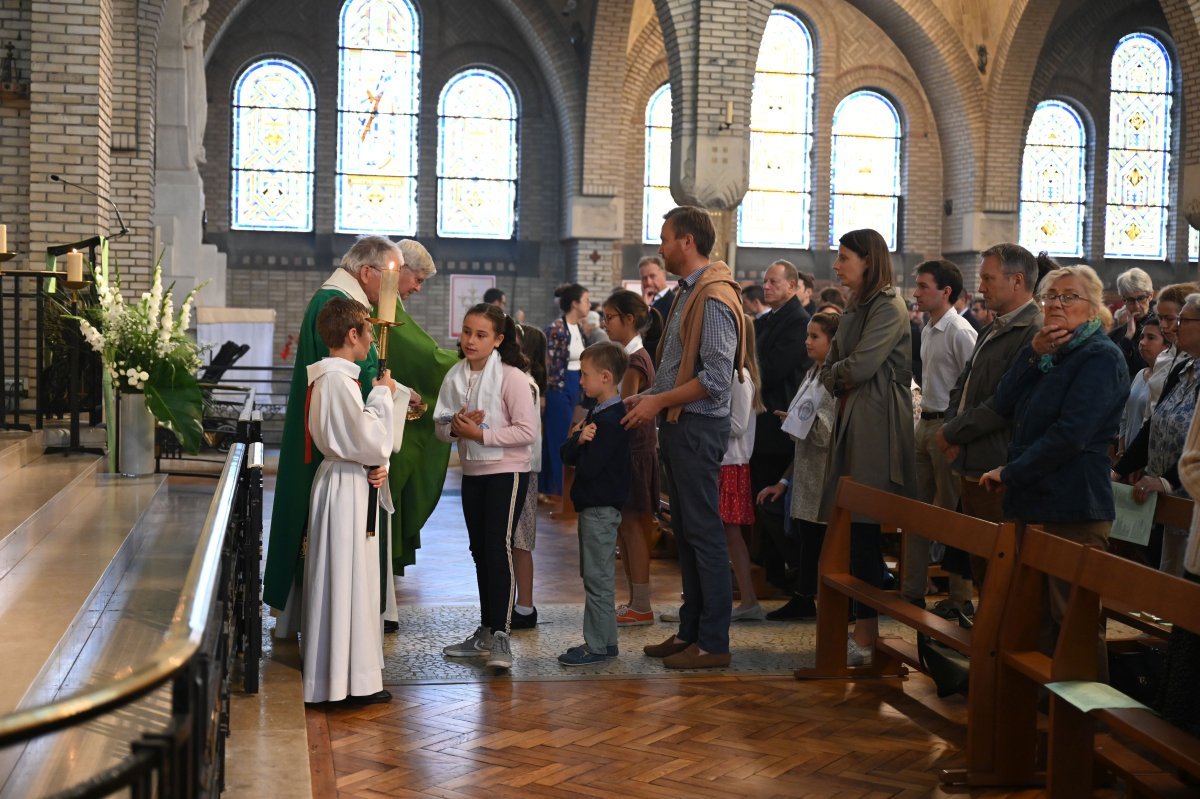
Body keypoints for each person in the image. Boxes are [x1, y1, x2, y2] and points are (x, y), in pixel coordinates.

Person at [979, 264, 1128, 676]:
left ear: (1094, 306)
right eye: (1051, 296)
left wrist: (1010, 472)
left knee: (1072, 622)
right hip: (1036, 501)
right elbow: (1004, 401)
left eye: (1070, 296)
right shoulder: (1051, 353)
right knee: (1035, 616)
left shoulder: (1099, 357)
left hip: (1074, 505)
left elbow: (1070, 435)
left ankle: (1084, 727)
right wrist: (1033, 354)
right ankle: (1044, 714)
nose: (1057, 304)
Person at [265, 235, 413, 637]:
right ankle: (340, 637)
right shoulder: (335, 305)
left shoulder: (345, 303)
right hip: (342, 457)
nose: (396, 288)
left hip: (343, 449)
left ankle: (346, 637)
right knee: (340, 561)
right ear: (367, 272)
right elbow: (359, 388)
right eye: (389, 275)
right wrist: (391, 396)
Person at [623, 205, 745, 670]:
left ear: (687, 242)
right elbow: (678, 367)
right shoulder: (689, 292)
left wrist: (658, 401)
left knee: (704, 533)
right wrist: (650, 395)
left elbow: (714, 379)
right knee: (690, 533)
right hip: (681, 422)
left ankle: (713, 642)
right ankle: (691, 631)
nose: (660, 246)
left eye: (665, 238)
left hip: (697, 426)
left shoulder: (712, 297)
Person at [820, 228, 917, 666]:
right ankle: (856, 621)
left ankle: (868, 626)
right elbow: (831, 364)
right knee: (850, 523)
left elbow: (858, 365)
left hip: (877, 417)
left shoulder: (888, 305)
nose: (837, 266)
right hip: (853, 412)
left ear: (868, 260)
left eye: (844, 258)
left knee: (865, 523)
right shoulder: (854, 305)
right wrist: (836, 372)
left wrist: (835, 373)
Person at [301, 297, 399, 705]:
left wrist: (377, 465)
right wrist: (383, 396)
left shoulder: (331, 379)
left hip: (345, 481)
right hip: (346, 487)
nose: (374, 346)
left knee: (349, 580)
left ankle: (352, 678)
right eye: (369, 334)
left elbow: (362, 445)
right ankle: (342, 685)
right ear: (352, 335)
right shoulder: (339, 382)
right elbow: (369, 439)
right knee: (346, 579)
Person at [436, 304, 537, 671]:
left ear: (498, 340)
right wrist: (456, 426)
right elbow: (440, 427)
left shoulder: (512, 378)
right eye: (466, 332)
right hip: (473, 471)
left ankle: (502, 635)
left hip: (507, 471)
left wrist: (478, 432)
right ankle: (484, 629)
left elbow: (528, 432)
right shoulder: (455, 376)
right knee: (479, 549)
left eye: (480, 335)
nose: (470, 340)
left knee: (498, 547)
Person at [938, 243, 1043, 587]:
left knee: (1002, 573)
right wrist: (951, 426)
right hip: (971, 461)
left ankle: (1002, 640)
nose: (980, 287)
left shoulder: (1032, 332)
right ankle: (986, 638)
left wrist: (954, 433)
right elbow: (963, 384)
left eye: (987, 278)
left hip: (996, 465)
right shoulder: (994, 325)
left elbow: (1004, 403)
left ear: (1016, 281)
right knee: (981, 566)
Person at [382, 239, 457, 617]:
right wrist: (459, 361)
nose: (417, 288)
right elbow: (423, 355)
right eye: (418, 279)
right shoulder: (383, 308)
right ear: (400, 268)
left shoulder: (388, 304)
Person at [902, 259, 977, 617]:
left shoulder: (960, 331)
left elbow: (972, 386)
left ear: (946, 292)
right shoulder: (929, 329)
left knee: (951, 514)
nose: (916, 293)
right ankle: (912, 589)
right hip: (924, 424)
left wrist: (955, 430)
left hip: (948, 428)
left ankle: (960, 596)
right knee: (916, 512)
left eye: (923, 286)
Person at [757, 312, 840, 620]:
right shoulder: (813, 372)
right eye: (807, 335)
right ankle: (803, 595)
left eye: (815, 337)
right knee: (806, 534)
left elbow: (829, 432)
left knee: (818, 537)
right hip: (804, 467)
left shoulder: (835, 377)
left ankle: (816, 595)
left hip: (823, 470)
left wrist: (796, 423)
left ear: (833, 343)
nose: (807, 341)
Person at [1113, 293, 1200, 575]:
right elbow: (1153, 424)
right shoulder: (1183, 369)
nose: (1174, 327)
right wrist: (1118, 471)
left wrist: (1165, 480)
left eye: (1183, 321)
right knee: (1166, 573)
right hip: (1164, 497)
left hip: (1189, 497)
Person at [557, 342, 633, 665]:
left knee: (598, 579)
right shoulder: (596, 414)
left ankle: (598, 646)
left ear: (605, 377)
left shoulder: (613, 420)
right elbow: (566, 455)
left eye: (585, 375)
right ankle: (605, 641)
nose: (580, 382)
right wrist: (579, 439)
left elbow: (587, 467)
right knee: (593, 575)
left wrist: (581, 442)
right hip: (592, 508)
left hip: (601, 508)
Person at [749, 259, 812, 618]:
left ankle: (789, 572)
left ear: (792, 285)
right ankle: (772, 572)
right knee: (762, 499)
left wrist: (746, 369)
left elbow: (771, 370)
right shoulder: (769, 319)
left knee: (772, 501)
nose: (766, 287)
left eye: (773, 282)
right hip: (763, 423)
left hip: (779, 424)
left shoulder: (797, 322)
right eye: (766, 281)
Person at [600, 290, 658, 626]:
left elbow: (624, 408)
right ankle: (635, 601)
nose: (605, 323)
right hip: (631, 450)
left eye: (610, 317)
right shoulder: (629, 355)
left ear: (629, 320)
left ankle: (642, 604)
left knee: (635, 527)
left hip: (635, 451)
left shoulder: (636, 360)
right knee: (627, 527)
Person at [721, 317, 766, 621]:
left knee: (730, 533)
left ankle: (748, 598)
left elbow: (738, 425)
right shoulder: (732, 375)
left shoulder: (741, 377)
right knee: (723, 534)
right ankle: (732, 598)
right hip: (723, 461)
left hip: (730, 463)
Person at [511, 323, 548, 629]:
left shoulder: (526, 384)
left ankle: (524, 607)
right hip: (516, 466)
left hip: (522, 468)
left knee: (521, 540)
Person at [541, 284, 590, 500]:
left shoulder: (580, 328)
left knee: (566, 433)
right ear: (575, 303)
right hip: (558, 386)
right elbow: (547, 363)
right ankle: (556, 488)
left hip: (574, 383)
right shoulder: (556, 328)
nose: (589, 304)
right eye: (586, 300)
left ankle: (549, 486)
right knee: (557, 437)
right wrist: (544, 392)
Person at [1118, 314, 1165, 454]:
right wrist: (1121, 450)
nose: (1142, 343)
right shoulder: (1140, 374)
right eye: (1142, 337)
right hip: (1127, 456)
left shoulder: (1169, 379)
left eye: (1151, 338)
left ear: (1167, 345)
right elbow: (1125, 416)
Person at [1109, 267, 1156, 377]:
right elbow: (1111, 366)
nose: (1136, 306)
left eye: (1141, 298)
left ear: (1151, 296)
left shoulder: (1160, 328)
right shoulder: (1117, 334)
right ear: (1123, 299)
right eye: (1130, 300)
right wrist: (1128, 336)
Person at [639, 255, 674, 361]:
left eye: (652, 276)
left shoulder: (673, 302)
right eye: (644, 278)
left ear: (664, 274)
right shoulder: (642, 302)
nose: (648, 282)